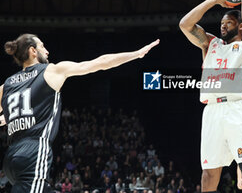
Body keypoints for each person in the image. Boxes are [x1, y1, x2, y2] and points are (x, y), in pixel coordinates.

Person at [0, 33, 159, 192]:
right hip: (33, 153)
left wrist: (6, 118)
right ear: (33, 51)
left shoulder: (6, 85)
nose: (47, 51)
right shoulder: (52, 70)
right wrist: (137, 54)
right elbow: (101, 63)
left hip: (10, 160)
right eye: (42, 46)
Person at [179, 0, 242, 193]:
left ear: (241, 27)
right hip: (212, 110)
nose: (223, 26)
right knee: (208, 174)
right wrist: (214, 0)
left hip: (237, 109)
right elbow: (185, 24)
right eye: (222, 23)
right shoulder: (210, 44)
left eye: (229, 23)